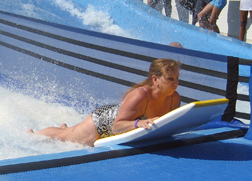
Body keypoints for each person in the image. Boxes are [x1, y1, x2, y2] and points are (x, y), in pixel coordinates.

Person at [30, 59, 181, 146]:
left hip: (114, 118)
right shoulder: (140, 95)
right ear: (155, 79)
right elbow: (116, 127)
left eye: (177, 78)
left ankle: (66, 127)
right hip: (101, 124)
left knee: (69, 132)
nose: (176, 83)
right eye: (170, 79)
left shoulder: (174, 98)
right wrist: (138, 124)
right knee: (64, 137)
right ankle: (33, 134)